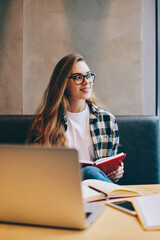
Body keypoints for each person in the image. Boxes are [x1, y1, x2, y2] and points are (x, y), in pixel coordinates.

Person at [26, 53, 124, 182]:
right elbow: (35, 169)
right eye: (78, 77)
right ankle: (121, 200)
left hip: (97, 191)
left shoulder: (107, 120)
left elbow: (109, 171)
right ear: (63, 83)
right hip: (62, 188)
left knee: (91, 172)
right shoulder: (46, 122)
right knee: (89, 171)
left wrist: (116, 172)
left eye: (88, 76)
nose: (86, 82)